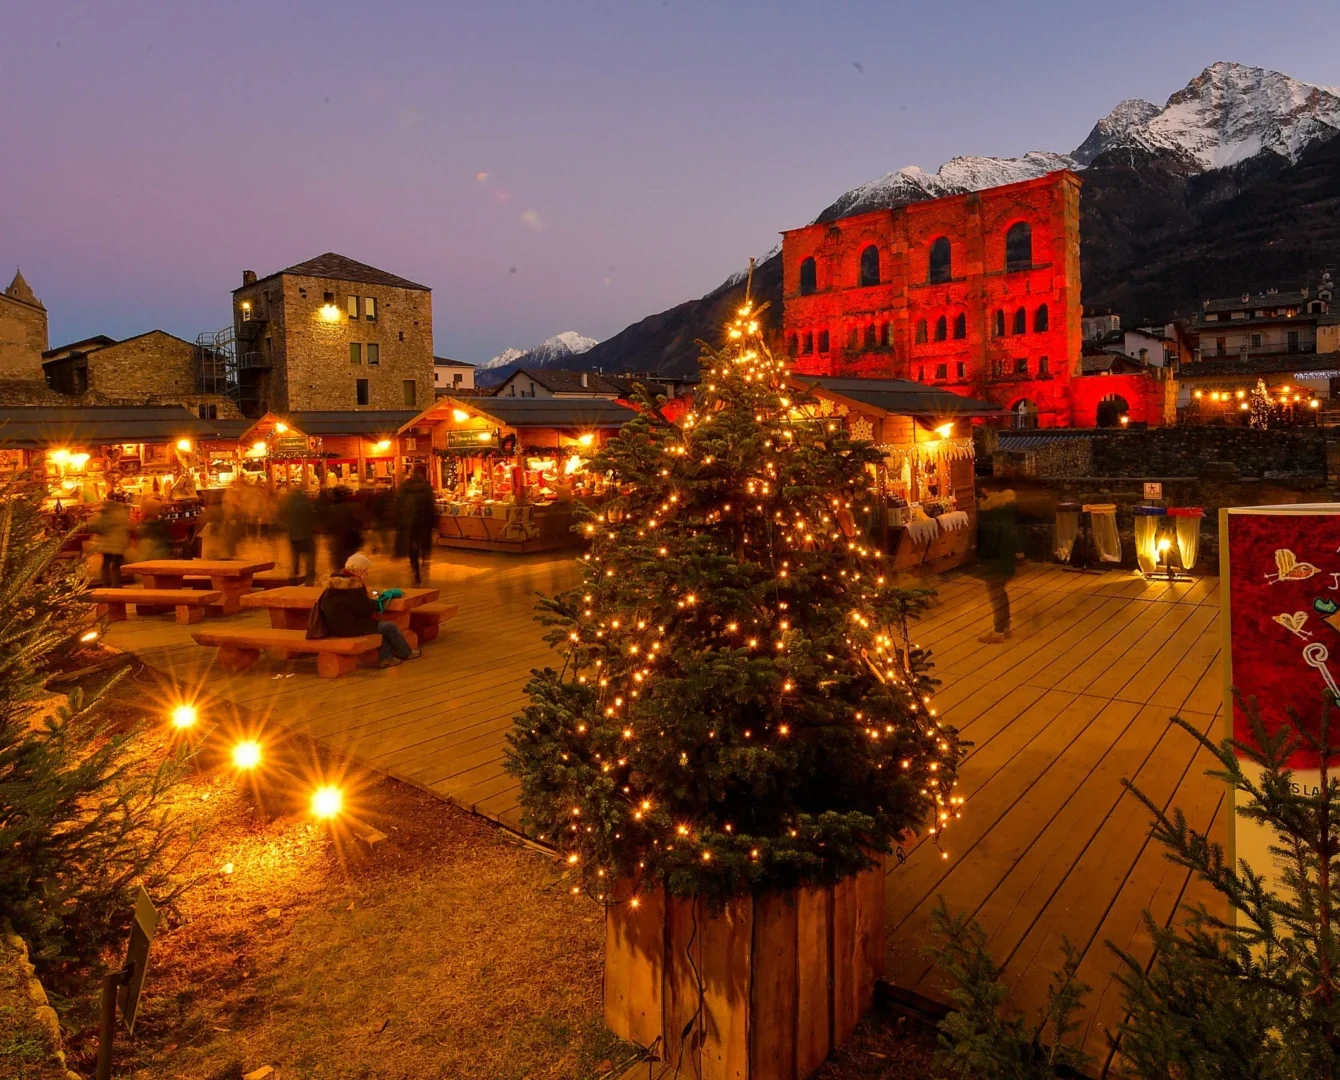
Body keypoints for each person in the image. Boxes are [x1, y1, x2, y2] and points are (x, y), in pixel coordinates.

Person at [316, 553, 421, 668]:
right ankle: (405, 653)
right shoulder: (353, 585)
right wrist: (377, 601)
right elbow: (366, 610)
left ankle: (386, 658)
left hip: (331, 627)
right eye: (366, 571)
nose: (367, 574)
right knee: (389, 626)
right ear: (359, 571)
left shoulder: (334, 583)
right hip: (348, 628)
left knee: (379, 629)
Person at [976, 488, 1020, 644]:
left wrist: (982, 557)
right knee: (1000, 592)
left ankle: (998, 631)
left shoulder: (992, 511)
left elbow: (990, 538)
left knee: (996, 594)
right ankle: (1006, 627)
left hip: (996, 559)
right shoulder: (1006, 508)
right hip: (1006, 557)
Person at [396, 465, 436, 586]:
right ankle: (424, 565)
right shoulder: (426, 487)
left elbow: (398, 506)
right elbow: (431, 507)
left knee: (413, 549)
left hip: (410, 524)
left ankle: (416, 573)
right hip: (424, 523)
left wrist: (400, 522)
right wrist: (434, 522)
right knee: (425, 547)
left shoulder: (405, 487)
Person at [279, 486, 318, 584]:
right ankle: (309, 577)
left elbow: (281, 516)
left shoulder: (288, 505)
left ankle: (293, 575)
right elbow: (313, 518)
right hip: (306, 535)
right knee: (310, 555)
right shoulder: (306, 504)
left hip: (293, 536)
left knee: (295, 556)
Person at [89, 498, 131, 587]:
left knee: (105, 563)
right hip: (118, 544)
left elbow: (93, 526)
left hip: (105, 544)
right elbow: (128, 528)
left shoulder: (100, 515)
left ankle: (105, 583)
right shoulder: (121, 515)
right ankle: (116, 583)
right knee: (116, 565)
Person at [324, 486, 363, 572]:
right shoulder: (353, 507)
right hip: (350, 540)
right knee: (351, 565)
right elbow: (359, 523)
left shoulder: (332, 509)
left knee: (339, 565)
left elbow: (328, 526)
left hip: (338, 541)